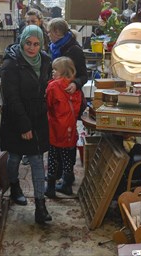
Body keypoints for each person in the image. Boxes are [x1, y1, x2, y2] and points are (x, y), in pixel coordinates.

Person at [0, 25, 52, 224]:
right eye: (28, 43)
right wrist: (24, 126)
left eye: (36, 44)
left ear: (41, 44)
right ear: (22, 41)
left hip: (38, 118)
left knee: (37, 160)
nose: (32, 48)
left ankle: (40, 206)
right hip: (16, 118)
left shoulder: (46, 60)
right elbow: (11, 98)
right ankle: (14, 186)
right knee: (14, 158)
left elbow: (46, 86)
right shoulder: (11, 64)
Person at [46, 18, 88, 195]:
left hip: (67, 101)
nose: (48, 35)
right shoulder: (54, 48)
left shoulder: (74, 50)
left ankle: (63, 179)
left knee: (60, 147)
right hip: (61, 103)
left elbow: (84, 75)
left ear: (57, 32)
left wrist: (75, 84)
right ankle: (64, 177)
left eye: (49, 32)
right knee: (65, 145)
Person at [45, 57, 82, 198]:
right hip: (70, 127)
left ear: (63, 72)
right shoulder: (75, 88)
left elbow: (48, 105)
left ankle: (50, 187)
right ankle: (67, 184)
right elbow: (78, 107)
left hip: (55, 126)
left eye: (55, 70)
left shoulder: (53, 86)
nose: (52, 72)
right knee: (67, 156)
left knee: (53, 156)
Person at [18, 9, 50, 166]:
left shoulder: (45, 48)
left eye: (32, 21)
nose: (29, 24)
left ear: (40, 21)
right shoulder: (17, 58)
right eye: (27, 22)